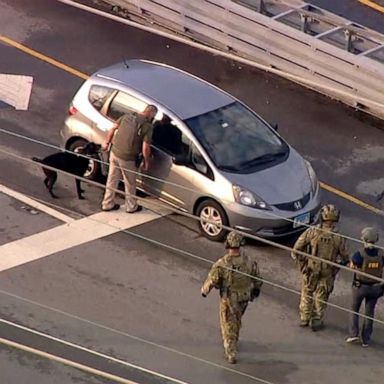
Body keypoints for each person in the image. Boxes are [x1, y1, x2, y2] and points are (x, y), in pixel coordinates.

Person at [201, 231, 262, 364]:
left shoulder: (222, 263)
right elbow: (257, 278)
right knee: (237, 318)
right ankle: (235, 339)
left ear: (227, 244)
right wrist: (256, 290)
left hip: (229, 299)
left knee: (227, 324)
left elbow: (213, 279)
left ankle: (231, 352)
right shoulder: (249, 261)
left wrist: (204, 291)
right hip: (244, 297)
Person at [291, 204, 349, 331]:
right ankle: (317, 319)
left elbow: (296, 249)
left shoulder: (312, 231)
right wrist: (337, 266)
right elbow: (345, 257)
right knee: (321, 296)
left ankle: (305, 318)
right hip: (328, 271)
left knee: (307, 292)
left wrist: (303, 263)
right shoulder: (339, 237)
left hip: (311, 268)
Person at [101, 105, 158, 213]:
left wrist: (107, 143)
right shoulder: (147, 126)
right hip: (128, 158)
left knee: (112, 179)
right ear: (151, 114)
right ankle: (131, 206)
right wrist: (146, 161)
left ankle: (107, 203)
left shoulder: (127, 116)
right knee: (130, 183)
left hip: (114, 152)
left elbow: (113, 128)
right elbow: (145, 147)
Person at [346, 227, 384, 347]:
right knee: (369, 313)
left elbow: (352, 266)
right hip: (375, 288)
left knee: (354, 310)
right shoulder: (381, 254)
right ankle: (366, 339)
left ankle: (353, 334)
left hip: (360, 287)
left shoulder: (359, 253)